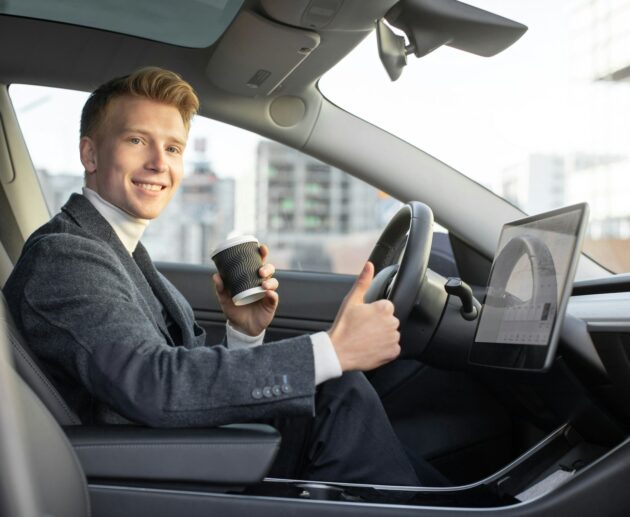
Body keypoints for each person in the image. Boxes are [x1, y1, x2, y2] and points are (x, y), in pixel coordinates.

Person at [4, 67, 438, 486]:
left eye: (173, 148)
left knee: (340, 397)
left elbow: (167, 369)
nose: (159, 163)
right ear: (90, 154)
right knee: (339, 391)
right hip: (141, 469)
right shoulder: (66, 256)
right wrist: (332, 351)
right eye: (137, 140)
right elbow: (154, 386)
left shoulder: (119, 249)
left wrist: (243, 335)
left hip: (175, 445)